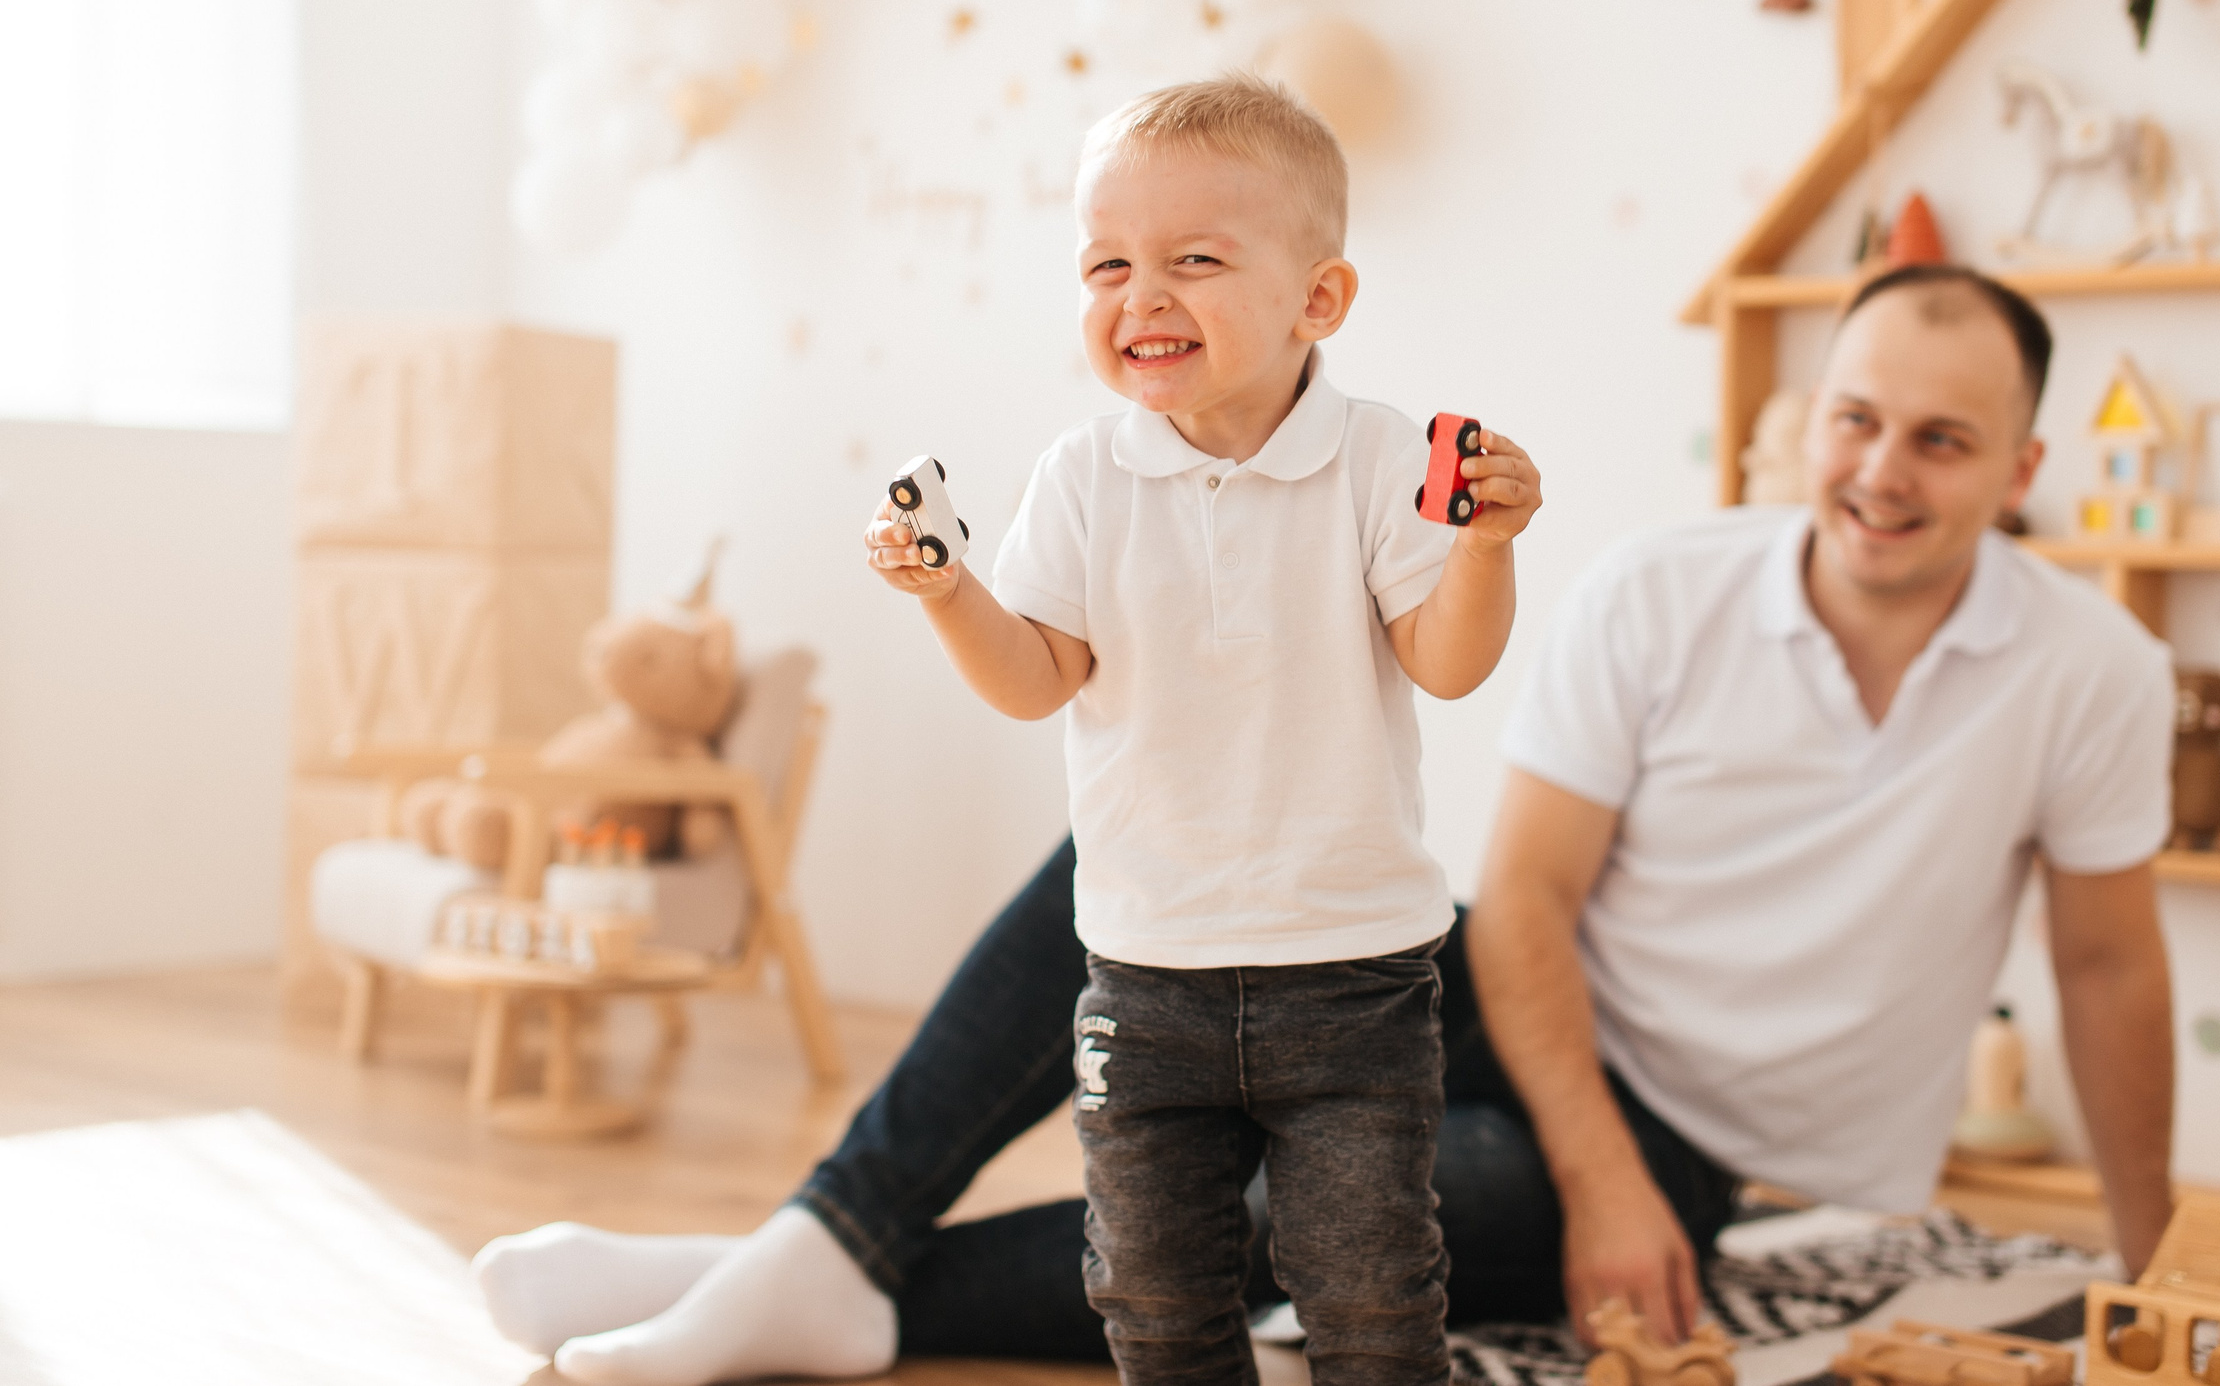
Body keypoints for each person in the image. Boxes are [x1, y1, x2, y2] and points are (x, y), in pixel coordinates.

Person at [477, 262, 2175, 1382]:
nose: (1883, 468)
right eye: (1858, 417)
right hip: (1470, 985)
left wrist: (2165, 1255)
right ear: (1813, 414)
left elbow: (2107, 971)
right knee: (1148, 852)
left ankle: (774, 1282)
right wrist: (1592, 1168)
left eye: (1942, 441)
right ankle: (822, 1233)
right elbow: (1518, 908)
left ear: (2022, 466)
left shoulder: (2091, 670)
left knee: (1296, 1226)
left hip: (1690, 1142)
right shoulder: (1665, 592)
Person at [532, 74, 1545, 1386]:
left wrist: (1484, 550)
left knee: (1368, 1291)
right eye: (1106, 264)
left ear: (1319, 300)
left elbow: (1449, 665)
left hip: (1349, 981)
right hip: (1142, 970)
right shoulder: (1085, 475)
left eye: (1195, 259)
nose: (1143, 295)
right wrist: (951, 591)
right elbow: (1034, 677)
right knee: (1152, 1293)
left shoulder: (1378, 461)